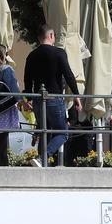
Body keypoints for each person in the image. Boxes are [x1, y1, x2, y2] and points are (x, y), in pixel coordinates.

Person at [23, 25, 81, 166]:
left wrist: (29, 98)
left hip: (37, 99)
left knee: (44, 132)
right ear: (51, 36)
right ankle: (43, 158)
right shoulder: (59, 53)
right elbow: (68, 75)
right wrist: (76, 96)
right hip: (54, 98)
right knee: (62, 133)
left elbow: (27, 79)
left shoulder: (31, 55)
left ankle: (42, 165)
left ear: (38, 38)